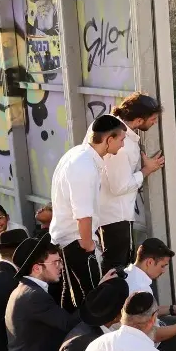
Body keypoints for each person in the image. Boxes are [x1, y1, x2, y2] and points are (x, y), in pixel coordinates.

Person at [49, 114, 126, 312]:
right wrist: (88, 245)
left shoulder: (77, 154)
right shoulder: (84, 165)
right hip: (76, 242)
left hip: (68, 239)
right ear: (109, 139)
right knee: (91, 302)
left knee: (72, 297)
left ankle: (68, 329)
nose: (123, 145)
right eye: (121, 139)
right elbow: (82, 213)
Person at [5, 234, 82, 351]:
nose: (60, 267)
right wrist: (98, 294)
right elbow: (68, 323)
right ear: (37, 268)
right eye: (55, 263)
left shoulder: (24, 288)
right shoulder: (34, 296)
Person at [97, 93, 165, 273]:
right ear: (138, 120)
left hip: (107, 213)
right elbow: (119, 186)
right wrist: (147, 170)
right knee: (117, 268)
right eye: (153, 119)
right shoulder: (122, 146)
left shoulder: (107, 124)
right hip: (116, 217)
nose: (155, 123)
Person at [120, 238, 176, 351]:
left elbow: (144, 313)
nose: (164, 271)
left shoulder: (127, 273)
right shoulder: (141, 288)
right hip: (149, 346)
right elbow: (153, 335)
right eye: (162, 266)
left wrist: (172, 309)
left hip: (135, 336)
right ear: (149, 262)